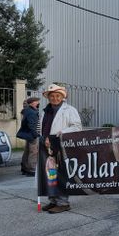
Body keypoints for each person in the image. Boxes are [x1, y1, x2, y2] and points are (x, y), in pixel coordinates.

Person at [40, 84, 82, 214]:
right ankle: (53, 200)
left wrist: (62, 132)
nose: (55, 98)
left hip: (61, 145)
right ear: (48, 97)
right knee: (49, 174)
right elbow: (42, 127)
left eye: (58, 96)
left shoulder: (69, 110)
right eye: (52, 96)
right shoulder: (45, 111)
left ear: (62, 97)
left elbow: (77, 127)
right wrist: (42, 138)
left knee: (61, 174)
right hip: (46, 146)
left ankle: (63, 203)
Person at [17, 97, 40, 176]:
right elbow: (32, 125)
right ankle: (32, 170)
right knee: (33, 152)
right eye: (37, 101)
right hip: (32, 135)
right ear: (32, 103)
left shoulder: (28, 111)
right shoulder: (32, 112)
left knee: (27, 151)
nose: (38, 103)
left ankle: (25, 168)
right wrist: (36, 134)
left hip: (29, 135)